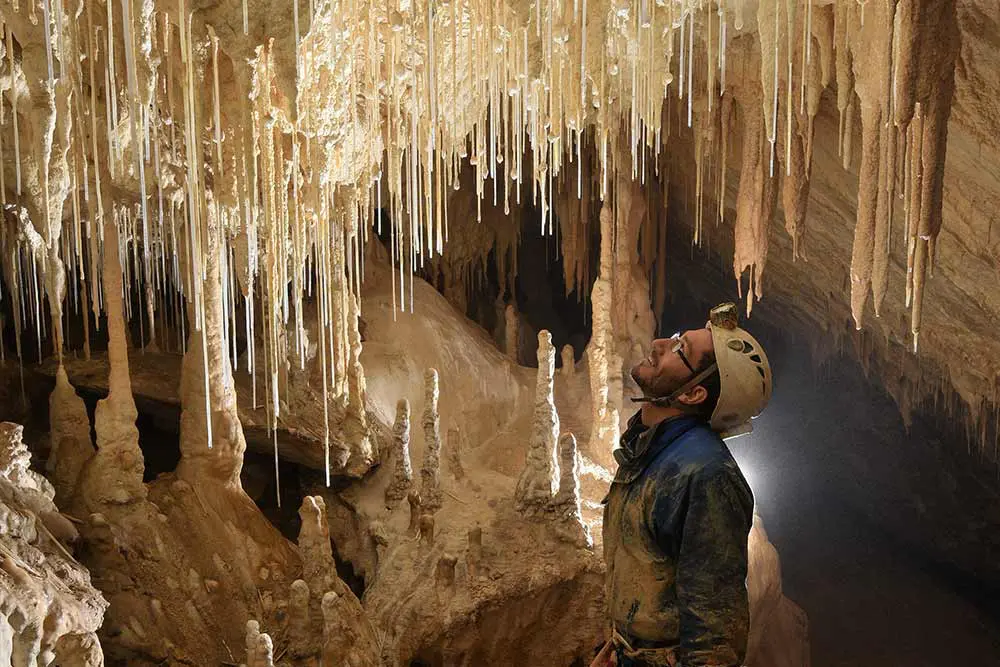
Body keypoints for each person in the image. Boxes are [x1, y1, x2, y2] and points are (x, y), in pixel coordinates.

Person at [594, 303, 773, 667]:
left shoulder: (706, 475)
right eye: (678, 339)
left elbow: (714, 633)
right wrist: (618, 647)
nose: (660, 343)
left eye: (681, 350)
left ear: (693, 395)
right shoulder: (651, 450)